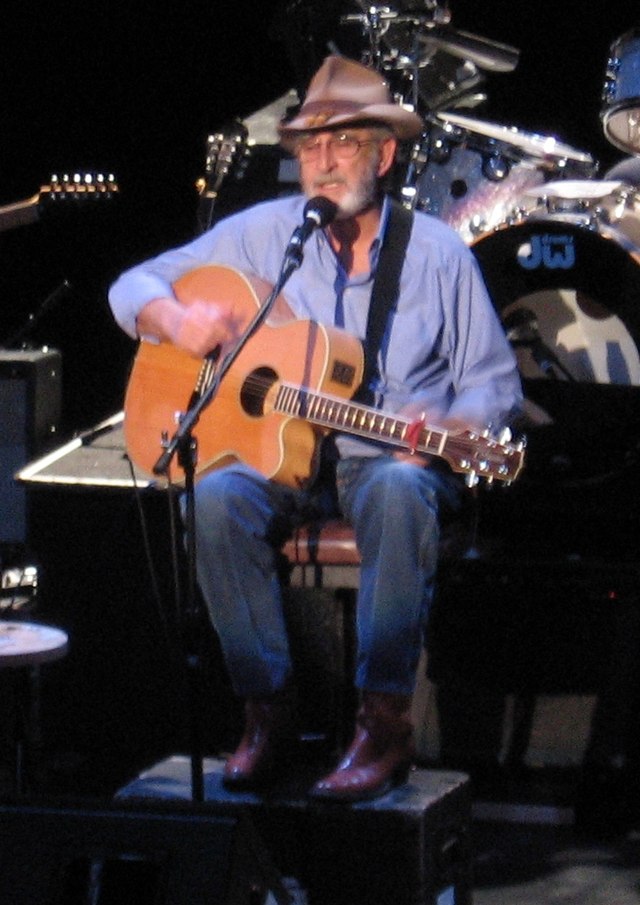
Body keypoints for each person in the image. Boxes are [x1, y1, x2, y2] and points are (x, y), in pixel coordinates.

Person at [108, 54, 523, 802]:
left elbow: (493, 387)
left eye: (345, 144)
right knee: (213, 497)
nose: (324, 164)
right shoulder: (265, 233)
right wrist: (176, 317)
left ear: (386, 154)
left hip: (383, 460)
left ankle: (384, 719)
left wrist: (453, 425)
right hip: (276, 459)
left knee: (400, 486)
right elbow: (132, 284)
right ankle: (266, 709)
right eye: (310, 148)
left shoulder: (437, 254)